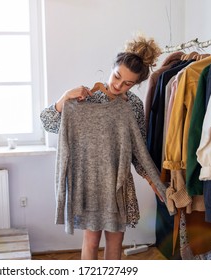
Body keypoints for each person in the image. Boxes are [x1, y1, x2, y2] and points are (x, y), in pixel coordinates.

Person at [40, 35, 166, 260]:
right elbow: (48, 122)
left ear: (136, 84)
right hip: (89, 182)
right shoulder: (84, 99)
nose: (119, 85)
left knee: (116, 241)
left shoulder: (133, 106)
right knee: (90, 241)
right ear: (112, 68)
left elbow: (138, 151)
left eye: (128, 83)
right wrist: (64, 98)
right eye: (117, 76)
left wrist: (154, 181)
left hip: (118, 183)